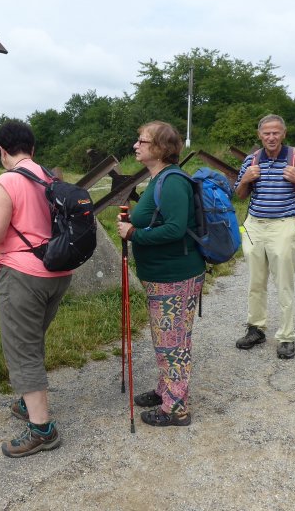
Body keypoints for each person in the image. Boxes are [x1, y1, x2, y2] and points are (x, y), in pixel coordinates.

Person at [0, 121, 72, 457]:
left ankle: (42, 430)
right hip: (57, 272)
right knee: (32, 339)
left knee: (21, 349)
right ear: (33, 149)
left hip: (24, 276)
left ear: (2, 151)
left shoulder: (8, 181)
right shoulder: (50, 178)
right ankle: (29, 404)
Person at [117, 121, 205, 427]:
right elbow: (157, 219)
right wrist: (134, 224)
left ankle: (176, 408)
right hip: (161, 275)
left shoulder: (173, 182)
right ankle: (166, 390)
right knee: (164, 338)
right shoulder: (157, 179)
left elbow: (175, 228)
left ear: (160, 148)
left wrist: (133, 234)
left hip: (175, 277)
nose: (135, 146)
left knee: (174, 341)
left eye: (141, 141)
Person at [234, 114, 295, 359]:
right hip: (253, 226)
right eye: (266, 133)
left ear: (284, 134)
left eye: (276, 133)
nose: (271, 137)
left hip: (284, 224)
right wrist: (246, 180)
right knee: (255, 281)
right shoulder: (252, 160)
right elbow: (239, 195)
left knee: (283, 282)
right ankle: (256, 328)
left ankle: (286, 336)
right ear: (259, 135)